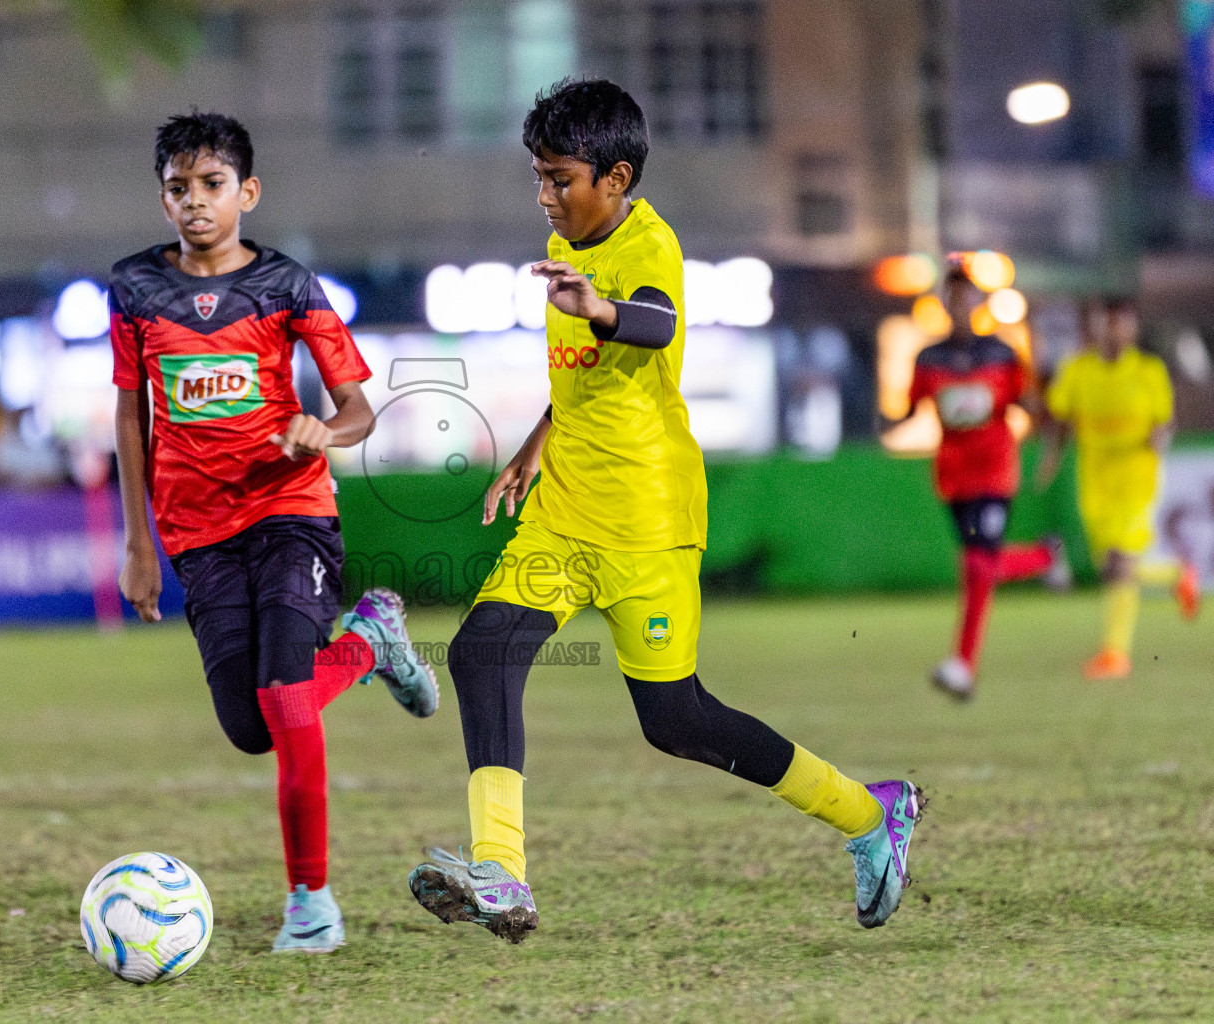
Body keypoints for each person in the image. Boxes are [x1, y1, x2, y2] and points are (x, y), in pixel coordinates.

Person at [406, 79, 922, 945]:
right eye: (536, 176)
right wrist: (539, 438)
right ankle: (500, 871)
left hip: (647, 522)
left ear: (615, 176)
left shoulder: (649, 246)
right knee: (479, 652)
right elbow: (581, 374)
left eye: (558, 177)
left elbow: (650, 323)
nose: (544, 194)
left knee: (676, 720)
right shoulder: (565, 243)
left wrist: (598, 308)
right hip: (565, 512)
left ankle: (870, 816)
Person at [111, 111, 439, 954]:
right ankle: (371, 638)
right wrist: (139, 541)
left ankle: (311, 904)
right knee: (250, 727)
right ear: (162, 199)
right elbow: (130, 411)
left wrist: (320, 431)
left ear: (246, 192)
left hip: (292, 513)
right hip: (196, 533)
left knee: (288, 698)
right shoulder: (135, 291)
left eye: (212, 185)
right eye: (178, 189)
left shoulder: (289, 287)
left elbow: (358, 409)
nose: (195, 203)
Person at [912, 261, 1068, 700]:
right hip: (953, 477)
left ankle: (962, 664)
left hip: (996, 470)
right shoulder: (929, 358)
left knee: (979, 564)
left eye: (967, 296)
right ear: (943, 302)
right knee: (976, 567)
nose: (960, 304)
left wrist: (1049, 417)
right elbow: (908, 407)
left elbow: (1027, 404)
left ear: (978, 302)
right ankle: (1044, 556)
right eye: (953, 296)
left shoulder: (1001, 353)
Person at [1037, 297, 1199, 680]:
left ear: (1132, 329)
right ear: (1095, 328)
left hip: (1135, 477)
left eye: (1120, 324)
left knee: (1118, 563)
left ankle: (1115, 655)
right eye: (1106, 323)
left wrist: (1160, 437)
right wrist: (1051, 458)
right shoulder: (1077, 370)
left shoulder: (1148, 370)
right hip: (1095, 480)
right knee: (1112, 568)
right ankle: (1177, 577)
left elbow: (1164, 421)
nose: (1112, 331)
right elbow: (1061, 417)